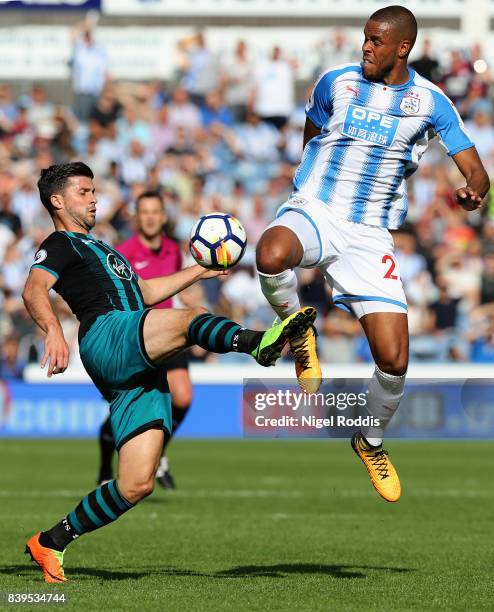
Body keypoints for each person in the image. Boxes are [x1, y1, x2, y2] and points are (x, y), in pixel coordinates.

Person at [22, 162, 316, 583]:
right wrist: (52, 330)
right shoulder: (60, 243)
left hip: (131, 351)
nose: (93, 198)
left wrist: (199, 269)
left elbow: (142, 293)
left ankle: (50, 541)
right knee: (190, 318)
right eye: (84, 191)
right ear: (57, 200)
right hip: (107, 336)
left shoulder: (104, 249)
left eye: (93, 190)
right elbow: (33, 288)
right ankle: (259, 343)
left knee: (136, 484)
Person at [255, 5, 489, 503]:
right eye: (365, 37)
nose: (366, 46)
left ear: (402, 47)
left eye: (377, 41)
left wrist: (473, 189)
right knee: (271, 253)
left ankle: (371, 440)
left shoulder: (430, 102)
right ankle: (299, 335)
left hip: (370, 233)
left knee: (395, 358)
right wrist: (307, 180)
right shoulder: (334, 82)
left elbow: (476, 171)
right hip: (318, 207)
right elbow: (312, 133)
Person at [97, 190, 189, 489]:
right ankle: (104, 469)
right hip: (136, 337)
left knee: (183, 397)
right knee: (125, 409)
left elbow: (173, 289)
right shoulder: (123, 252)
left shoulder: (174, 250)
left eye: (155, 211)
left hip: (169, 332)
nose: (150, 217)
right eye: (144, 212)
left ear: (163, 217)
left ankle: (160, 453)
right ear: (137, 217)